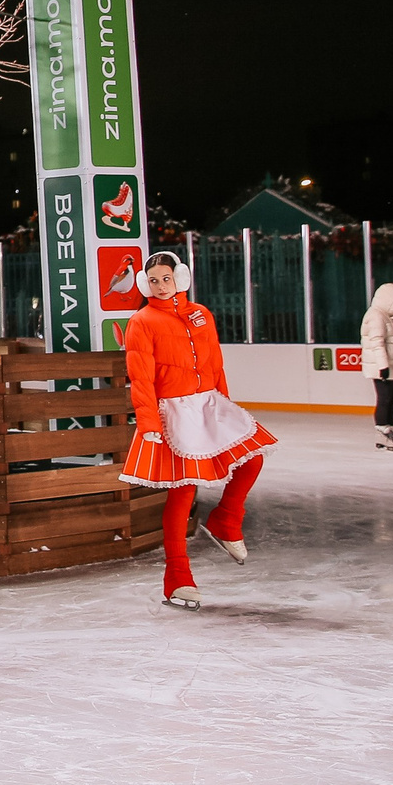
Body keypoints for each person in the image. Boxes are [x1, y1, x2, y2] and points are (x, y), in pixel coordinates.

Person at [116, 250, 276, 610]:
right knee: (183, 492)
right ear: (145, 284)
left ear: (180, 279)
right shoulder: (141, 321)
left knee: (252, 459)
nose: (159, 286)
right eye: (153, 281)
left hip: (210, 403)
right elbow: (140, 376)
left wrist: (226, 404)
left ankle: (226, 520)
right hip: (173, 412)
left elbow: (215, 362)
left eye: (165, 279)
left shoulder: (202, 315)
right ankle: (177, 578)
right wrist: (149, 423)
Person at [359, 281, 393, 450]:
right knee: (384, 399)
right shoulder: (375, 315)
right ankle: (382, 431)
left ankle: (391, 430)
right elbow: (377, 342)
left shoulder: (390, 317)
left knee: (392, 399)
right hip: (382, 366)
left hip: (392, 366)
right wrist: (383, 366)